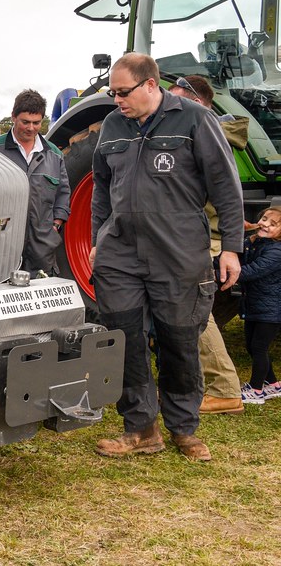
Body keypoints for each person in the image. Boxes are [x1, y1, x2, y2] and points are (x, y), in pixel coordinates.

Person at [89, 53, 243, 462]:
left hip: (178, 253)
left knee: (179, 340)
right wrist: (97, 240)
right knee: (125, 339)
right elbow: (102, 188)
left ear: (151, 84)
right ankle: (140, 428)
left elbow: (226, 187)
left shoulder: (194, 120)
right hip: (120, 254)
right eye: (113, 93)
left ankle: (183, 429)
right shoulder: (112, 125)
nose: (117, 100)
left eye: (124, 92)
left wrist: (231, 247)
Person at [167, 76, 244, 415]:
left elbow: (216, 194)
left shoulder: (202, 134)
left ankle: (225, 389)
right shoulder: (209, 132)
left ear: (196, 102)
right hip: (195, 237)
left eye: (177, 100)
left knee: (196, 315)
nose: (170, 106)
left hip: (197, 239)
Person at [0, 89, 70, 277]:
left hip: (42, 244)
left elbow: (63, 194)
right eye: (25, 122)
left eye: (36, 123)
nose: (31, 128)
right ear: (13, 117)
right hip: (1, 244)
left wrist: (55, 225)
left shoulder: (54, 154)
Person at [235, 206, 281, 405]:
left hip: (272, 309)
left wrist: (224, 272)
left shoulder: (277, 251)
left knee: (259, 347)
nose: (265, 224)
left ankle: (256, 390)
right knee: (252, 347)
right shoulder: (254, 242)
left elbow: (252, 271)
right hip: (254, 305)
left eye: (273, 224)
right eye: (264, 219)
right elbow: (236, 256)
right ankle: (273, 384)